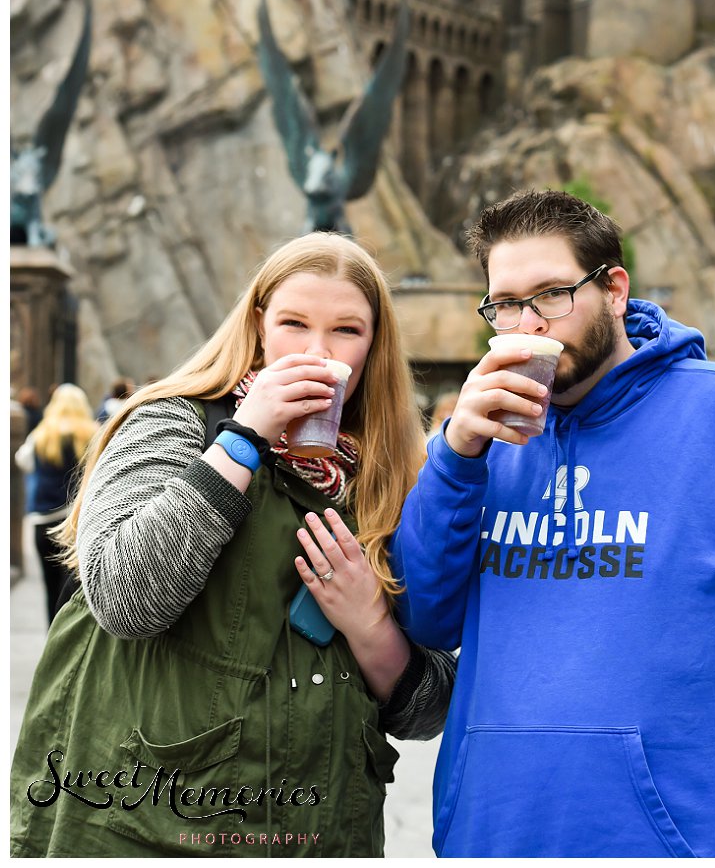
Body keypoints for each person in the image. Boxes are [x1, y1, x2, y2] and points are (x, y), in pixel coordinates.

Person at [391, 189, 715, 857]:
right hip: (495, 836)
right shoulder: (474, 446)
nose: (527, 323)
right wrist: (454, 457)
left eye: (550, 294)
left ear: (614, 288)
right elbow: (425, 617)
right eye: (505, 303)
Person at [10, 233, 456, 856]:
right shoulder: (172, 421)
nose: (317, 351)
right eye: (294, 323)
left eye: (346, 331)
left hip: (316, 832)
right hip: (149, 823)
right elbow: (123, 598)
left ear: (373, 345)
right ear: (259, 325)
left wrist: (370, 626)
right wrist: (243, 440)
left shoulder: (393, 479)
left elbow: (431, 708)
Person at [14, 383, 99, 624]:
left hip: (43, 518)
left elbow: (24, 461)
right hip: (74, 520)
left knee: (49, 585)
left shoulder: (41, 434)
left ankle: (50, 636)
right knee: (71, 589)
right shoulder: (91, 433)